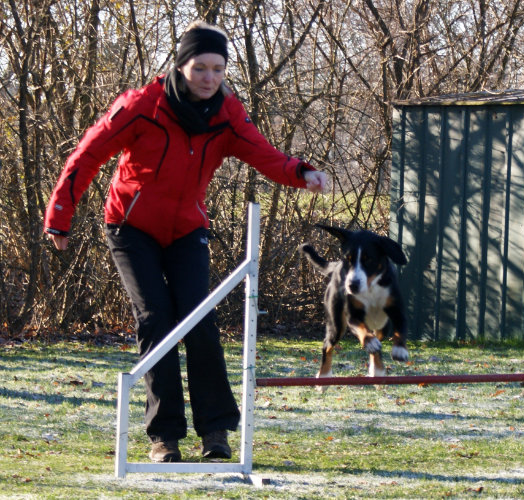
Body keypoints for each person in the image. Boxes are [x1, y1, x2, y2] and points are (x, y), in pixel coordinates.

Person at [44, 21, 327, 463]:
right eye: (200, 68)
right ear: (181, 66)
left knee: (198, 321)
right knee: (157, 320)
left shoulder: (228, 114)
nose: (210, 78)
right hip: (130, 227)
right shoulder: (141, 106)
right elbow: (88, 153)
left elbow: (263, 153)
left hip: (187, 230)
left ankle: (215, 432)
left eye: (218, 69)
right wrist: (60, 215)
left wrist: (300, 173)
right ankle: (164, 437)